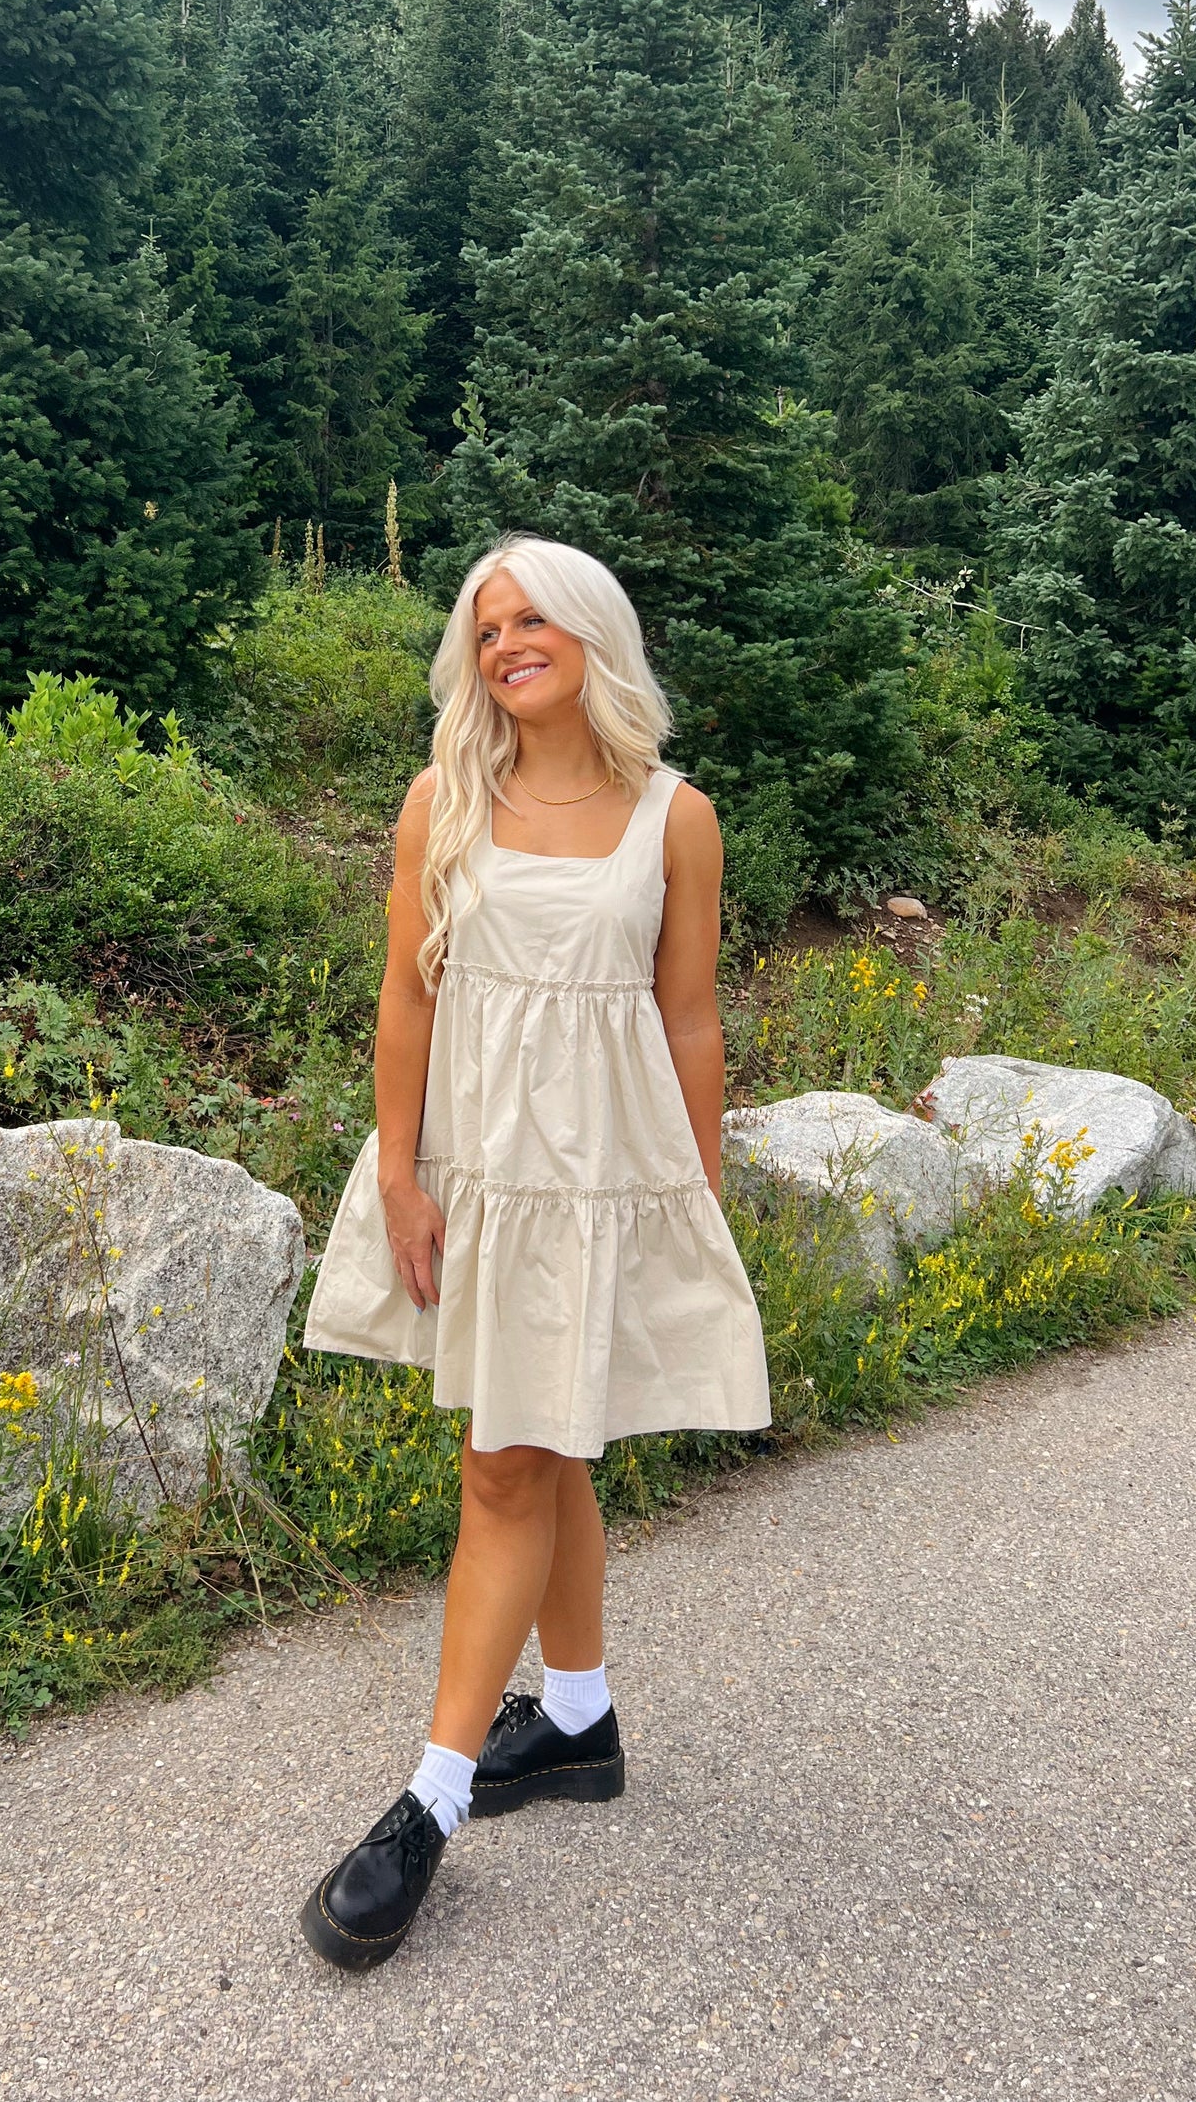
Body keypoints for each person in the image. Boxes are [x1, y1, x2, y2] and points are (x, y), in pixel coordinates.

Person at [297, 535, 772, 1971]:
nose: (506, 642)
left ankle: (431, 1801)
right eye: (485, 625)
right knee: (531, 1444)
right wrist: (398, 1173)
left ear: (591, 633)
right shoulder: (441, 798)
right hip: (479, 1170)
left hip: (601, 1181)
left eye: (531, 620)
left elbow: (687, 1018)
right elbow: (407, 995)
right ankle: (574, 1716)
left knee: (514, 1457)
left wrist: (691, 1202)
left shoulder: (676, 817)